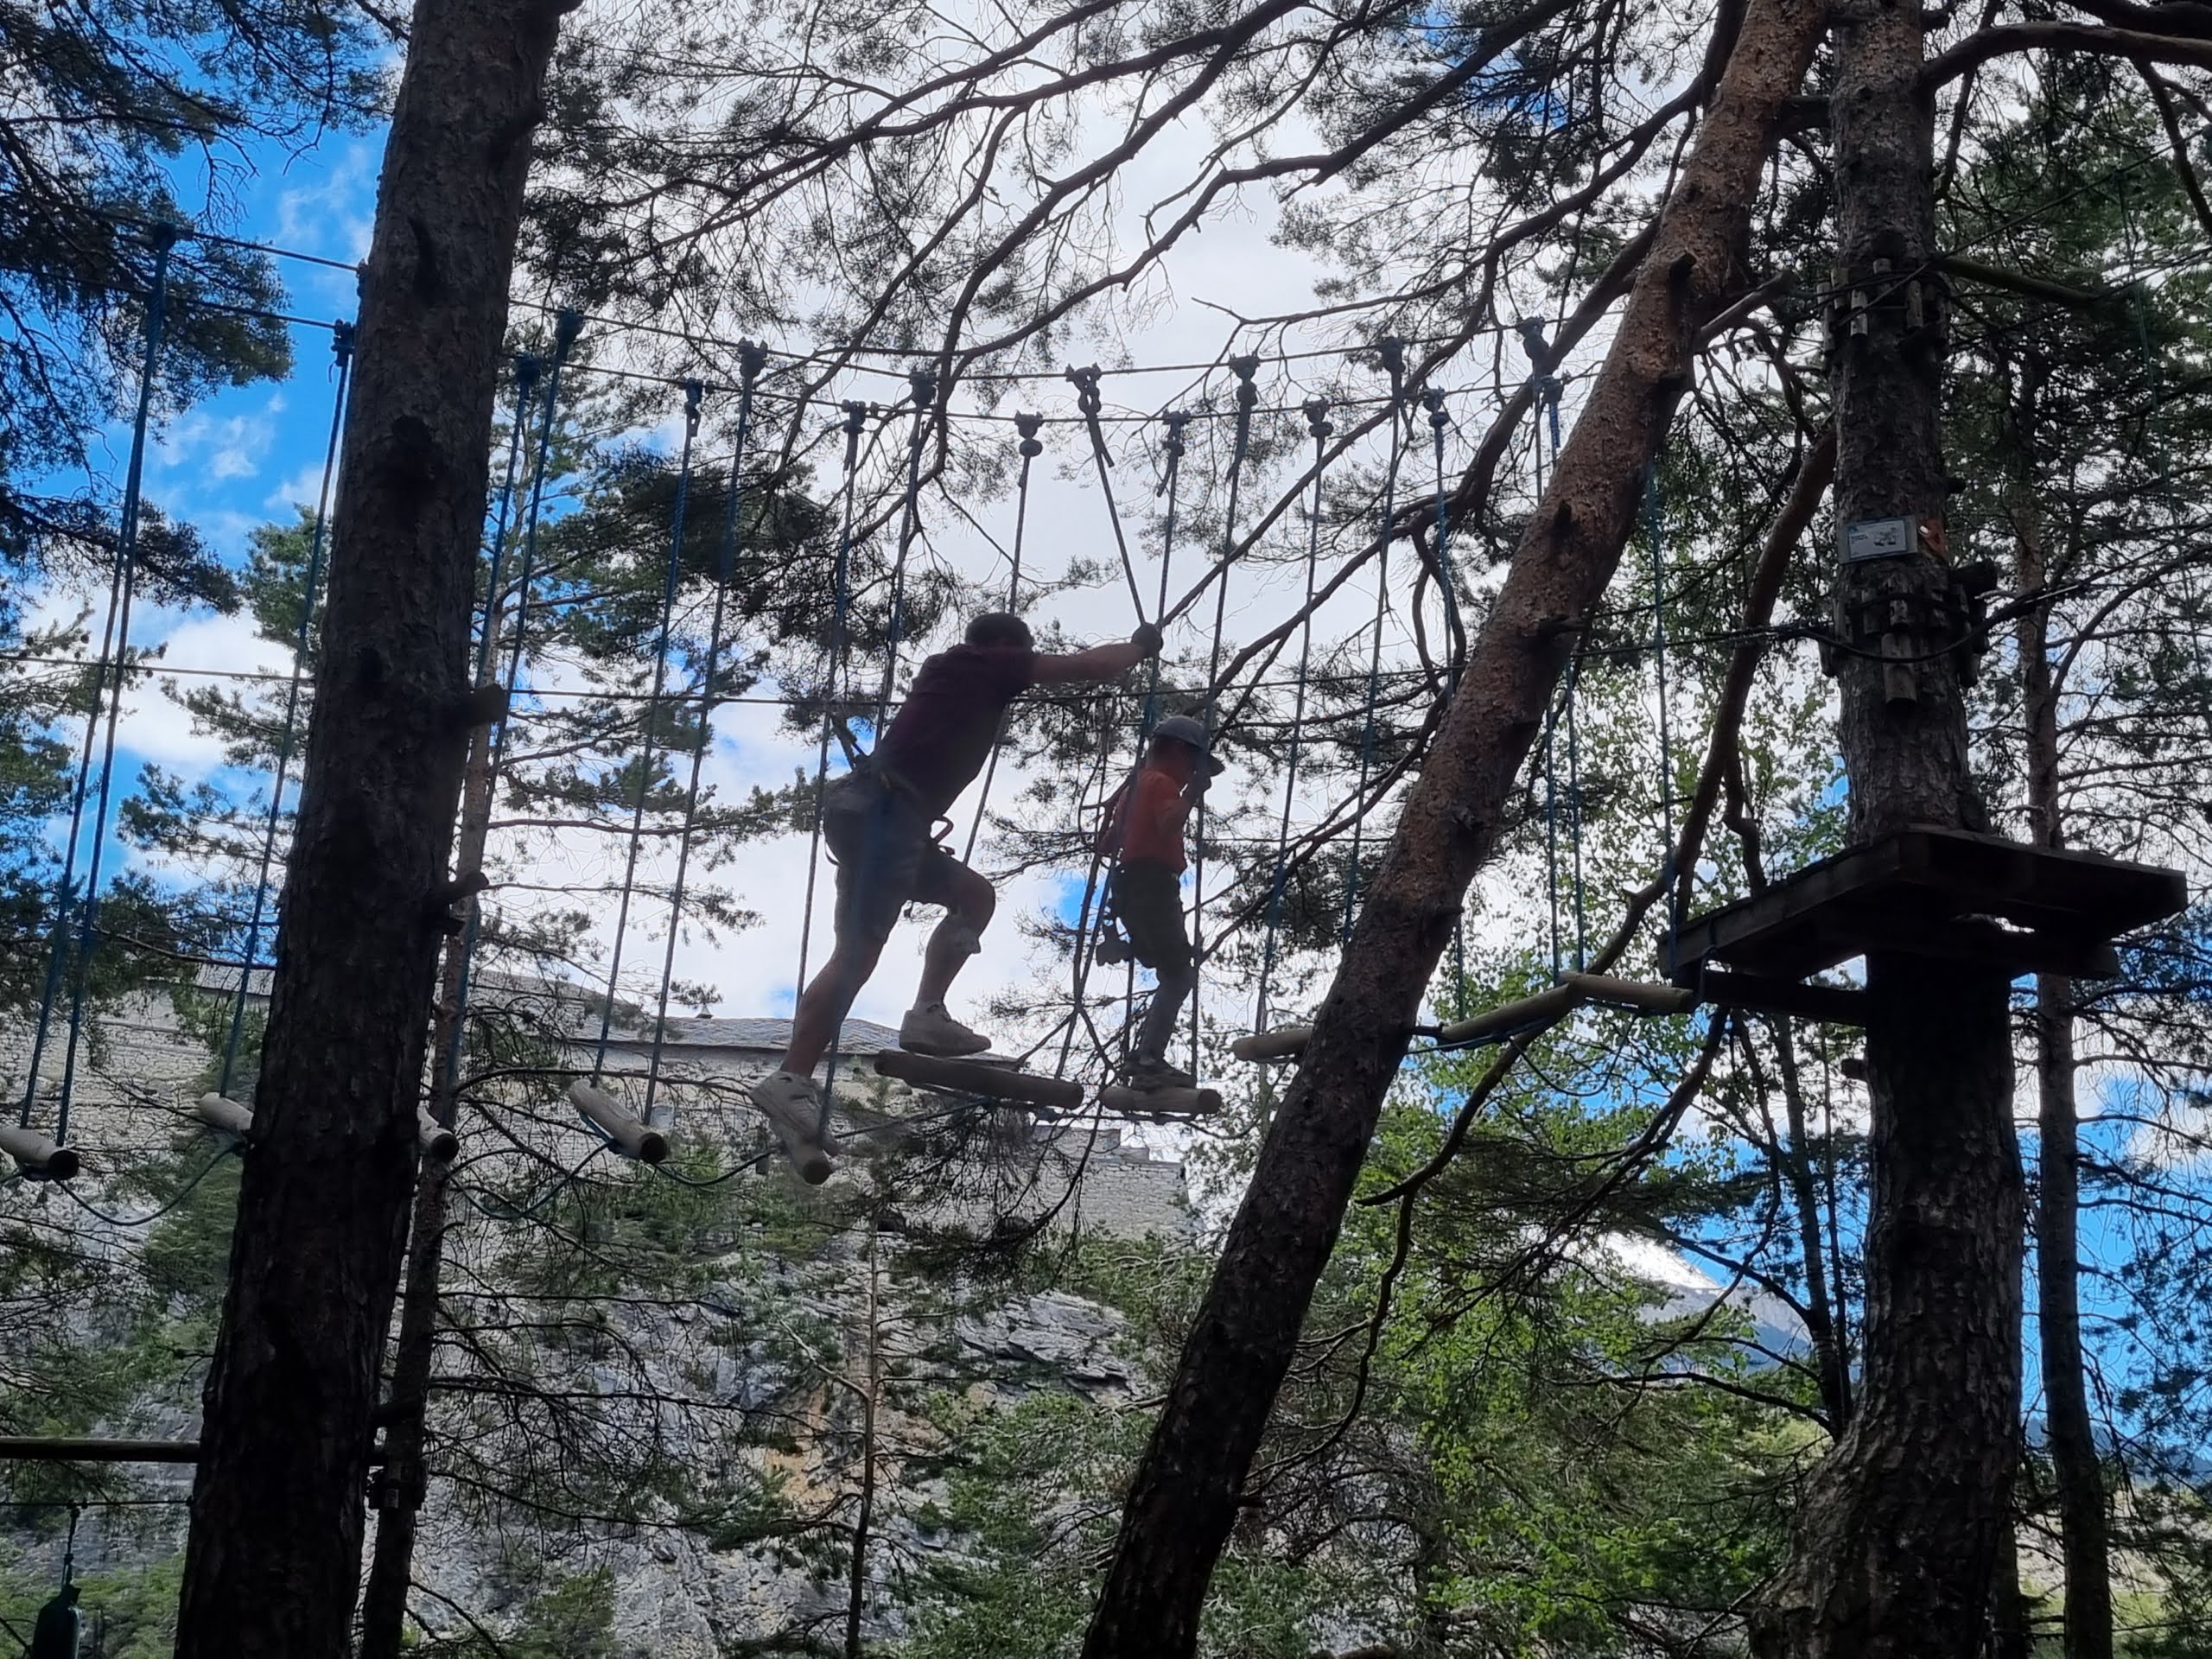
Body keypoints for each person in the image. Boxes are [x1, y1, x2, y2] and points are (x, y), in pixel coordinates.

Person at [751, 613, 1160, 1144]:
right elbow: (1087, 666)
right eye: (1023, 654)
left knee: (972, 896)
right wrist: (1137, 648)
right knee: (857, 955)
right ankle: (792, 1076)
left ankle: (924, 1015)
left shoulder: (956, 674)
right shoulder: (983, 662)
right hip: (887, 815)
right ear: (1005, 646)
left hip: (882, 816)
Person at [1097, 713, 1222, 1090]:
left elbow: (1105, 846)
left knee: (1162, 959)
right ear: (1180, 752)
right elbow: (1169, 823)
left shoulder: (1134, 788)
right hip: (1153, 884)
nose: (1192, 772)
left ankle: (1128, 947)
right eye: (1193, 764)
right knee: (1178, 974)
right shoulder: (1162, 782)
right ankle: (1149, 1058)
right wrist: (1191, 794)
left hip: (1131, 886)